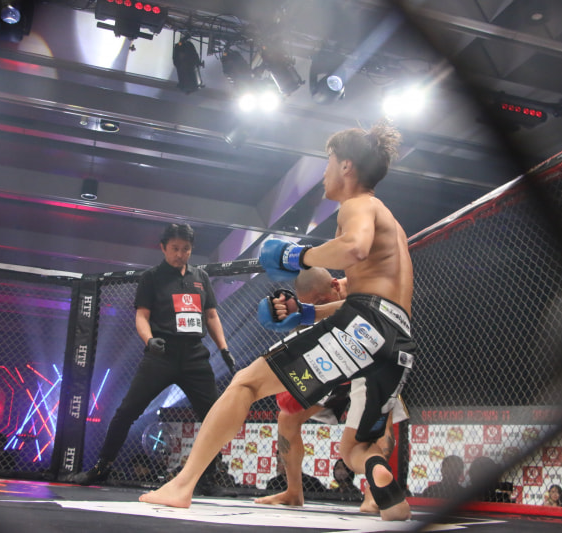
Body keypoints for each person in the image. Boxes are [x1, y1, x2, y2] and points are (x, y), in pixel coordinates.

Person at [140, 121, 415, 522]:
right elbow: (375, 303)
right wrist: (309, 313)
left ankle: (182, 485)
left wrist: (296, 256)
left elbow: (354, 249)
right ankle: (384, 485)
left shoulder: (358, 204)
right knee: (355, 448)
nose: (324, 171)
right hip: (398, 342)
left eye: (328, 161)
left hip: (365, 324)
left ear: (346, 166)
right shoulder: (393, 226)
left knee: (245, 383)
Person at [70, 223, 235, 485]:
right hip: (161, 354)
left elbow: (212, 315)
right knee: (126, 411)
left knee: (213, 416)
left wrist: (224, 348)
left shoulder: (200, 277)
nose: (180, 254)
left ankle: (209, 476)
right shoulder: (152, 277)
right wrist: (149, 340)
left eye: (186, 249)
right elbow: (141, 316)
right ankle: (102, 467)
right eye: (175, 248)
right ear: (163, 248)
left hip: (194, 355)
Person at [253, 267, 403, 513]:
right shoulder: (306, 312)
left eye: (321, 303)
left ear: (335, 285)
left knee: (379, 423)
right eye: (310, 306)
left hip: (373, 361)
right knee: (287, 418)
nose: (316, 310)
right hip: (334, 368)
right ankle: (293, 492)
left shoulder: (364, 287)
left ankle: (375, 495)